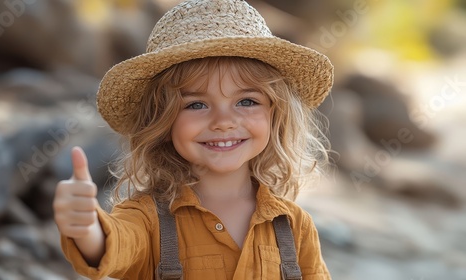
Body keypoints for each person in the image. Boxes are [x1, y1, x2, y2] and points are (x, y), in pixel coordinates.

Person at [53, 0, 334, 279]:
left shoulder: (295, 226)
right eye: (196, 105)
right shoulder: (147, 219)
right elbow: (114, 245)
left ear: (275, 113)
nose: (223, 122)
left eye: (246, 101)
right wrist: (86, 228)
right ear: (162, 121)